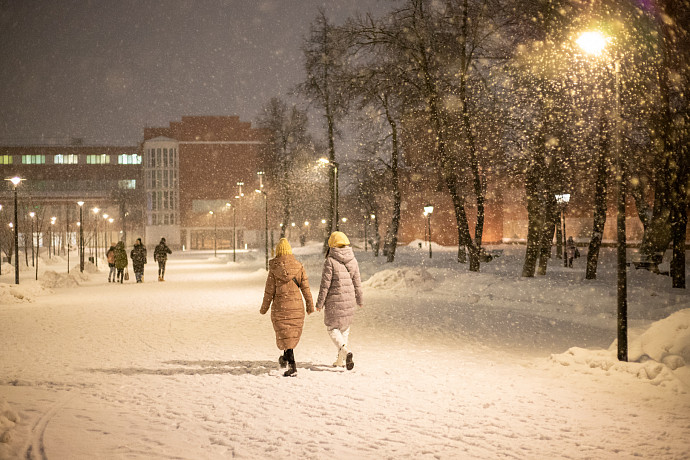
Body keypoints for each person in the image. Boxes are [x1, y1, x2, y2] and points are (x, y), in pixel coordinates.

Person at [260, 238, 314, 377]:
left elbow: (269, 291)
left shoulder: (274, 269)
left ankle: (292, 365)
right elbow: (306, 288)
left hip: (280, 306)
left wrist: (264, 308)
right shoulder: (299, 267)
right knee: (289, 334)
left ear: (278, 252)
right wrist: (309, 305)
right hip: (296, 306)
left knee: (285, 333)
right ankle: (285, 358)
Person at [315, 231, 363, 371]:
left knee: (332, 329)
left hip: (334, 302)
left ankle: (345, 352)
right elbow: (357, 283)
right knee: (345, 329)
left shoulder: (330, 261)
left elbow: (325, 285)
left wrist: (319, 304)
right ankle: (340, 360)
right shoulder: (353, 260)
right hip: (349, 302)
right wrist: (359, 299)